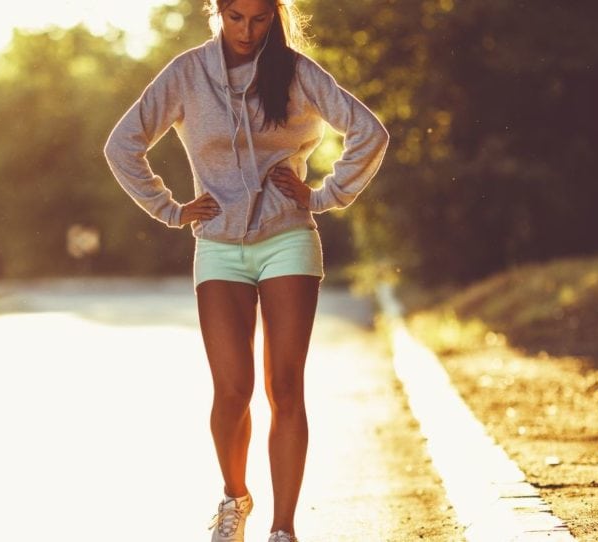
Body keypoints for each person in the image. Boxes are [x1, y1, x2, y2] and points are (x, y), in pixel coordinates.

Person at [104, 0, 388, 540]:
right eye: (235, 16)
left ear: (275, 16)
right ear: (217, 12)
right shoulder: (187, 73)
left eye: (259, 19)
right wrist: (170, 208)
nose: (246, 30)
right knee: (232, 388)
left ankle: (283, 528)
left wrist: (325, 195)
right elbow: (123, 145)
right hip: (218, 244)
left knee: (285, 386)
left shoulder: (298, 72)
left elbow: (369, 132)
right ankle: (235, 498)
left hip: (288, 238)